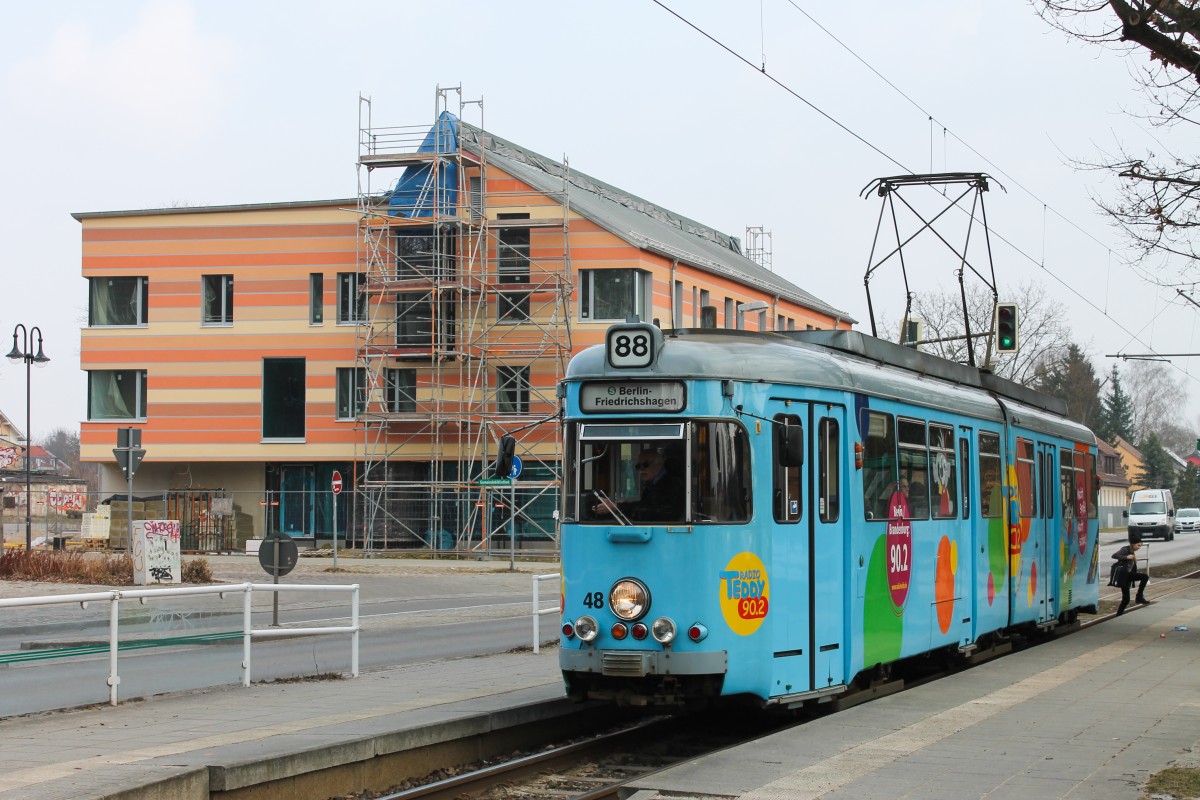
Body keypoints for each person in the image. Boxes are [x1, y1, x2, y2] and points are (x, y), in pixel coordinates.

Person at [593, 448, 683, 522]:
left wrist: (617, 507)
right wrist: (621, 506)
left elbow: (658, 514)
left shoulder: (670, 485)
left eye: (646, 464)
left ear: (659, 465)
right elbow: (644, 507)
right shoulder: (652, 485)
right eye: (638, 466)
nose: (641, 469)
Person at [1111, 534, 1150, 615]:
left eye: (1141, 546)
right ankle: (1139, 597)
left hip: (1127, 577)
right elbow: (1114, 555)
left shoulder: (1132, 551)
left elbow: (1132, 567)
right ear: (1133, 544)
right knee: (1145, 577)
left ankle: (1119, 614)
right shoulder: (1125, 549)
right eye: (1138, 545)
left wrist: (1136, 574)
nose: (1139, 547)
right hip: (1125, 575)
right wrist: (1126, 557)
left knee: (1126, 599)